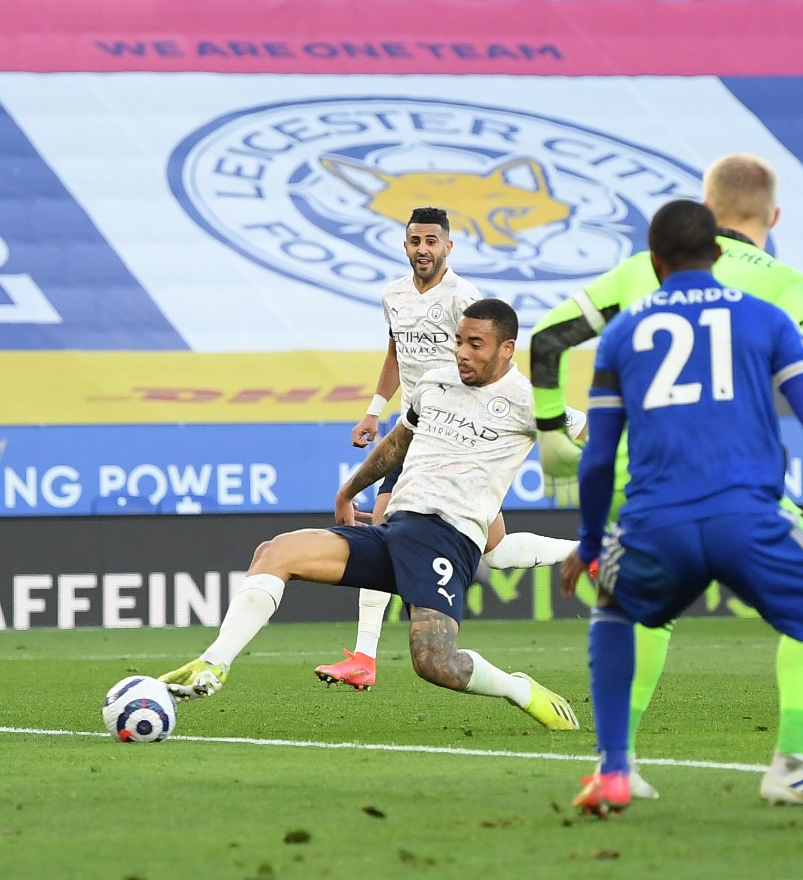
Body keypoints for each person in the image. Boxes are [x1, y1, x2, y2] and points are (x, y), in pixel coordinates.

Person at [530, 153, 803, 806]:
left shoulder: (636, 273)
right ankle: (796, 758)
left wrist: (549, 436)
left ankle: (615, 764)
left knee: (632, 617)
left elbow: (545, 340)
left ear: (701, 219)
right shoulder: (780, 285)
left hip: (639, 482)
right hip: (735, 482)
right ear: (773, 216)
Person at [160, 299, 580, 733]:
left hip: (447, 540)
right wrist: (348, 490)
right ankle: (213, 665)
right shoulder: (435, 383)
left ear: (507, 348)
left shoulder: (529, 402)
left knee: (436, 664)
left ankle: (520, 690)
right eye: (459, 341)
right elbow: (399, 441)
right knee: (276, 550)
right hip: (395, 526)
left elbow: (591, 436)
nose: (462, 353)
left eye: (476, 344)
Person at [317, 207, 577, 691]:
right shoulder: (392, 295)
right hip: (416, 423)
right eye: (415, 240)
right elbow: (396, 351)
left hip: (459, 431)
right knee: (474, 545)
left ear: (448, 247)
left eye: (432, 241)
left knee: (470, 544)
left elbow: (494, 358)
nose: (422, 249)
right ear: (404, 243)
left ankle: (365, 657)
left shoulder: (464, 298)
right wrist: (375, 410)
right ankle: (365, 656)